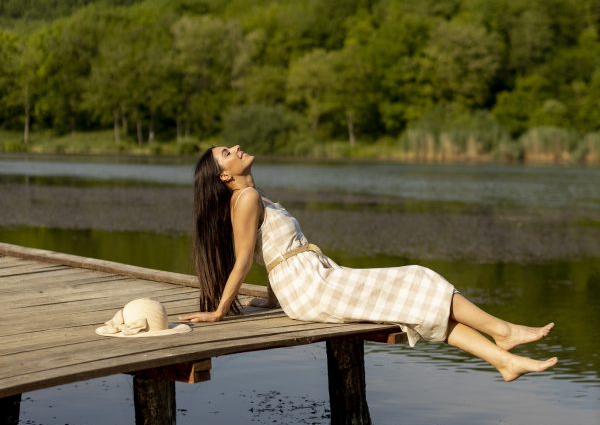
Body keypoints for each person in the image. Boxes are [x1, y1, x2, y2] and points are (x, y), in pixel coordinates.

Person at [180, 146, 558, 382]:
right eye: (226, 153)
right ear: (224, 175)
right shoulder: (245, 199)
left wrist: (271, 297)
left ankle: (501, 360)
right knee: (417, 277)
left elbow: (276, 252)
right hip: (312, 287)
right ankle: (503, 331)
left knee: (416, 304)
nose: (236, 147)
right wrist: (219, 311)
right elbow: (245, 258)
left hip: (311, 280)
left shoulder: (253, 195)